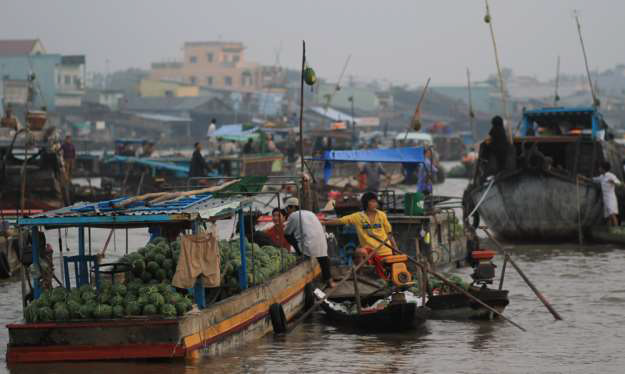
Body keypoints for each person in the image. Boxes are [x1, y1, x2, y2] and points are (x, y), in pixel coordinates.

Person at [324, 192, 397, 262]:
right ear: (366, 203)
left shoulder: (382, 215)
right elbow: (340, 221)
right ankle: (362, 272)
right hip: (369, 251)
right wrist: (323, 222)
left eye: (375, 202)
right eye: (372, 202)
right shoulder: (358, 216)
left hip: (386, 251)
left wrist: (395, 248)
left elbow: (389, 234)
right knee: (360, 251)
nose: (375, 204)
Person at [283, 197, 335, 288]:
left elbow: (287, 232)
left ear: (292, 207)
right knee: (323, 259)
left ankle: (300, 254)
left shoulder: (293, 215)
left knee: (288, 235)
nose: (287, 211)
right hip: (321, 245)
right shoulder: (310, 213)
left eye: (287, 209)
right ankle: (329, 280)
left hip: (308, 247)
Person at [591, 161, 621, 226]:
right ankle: (610, 231)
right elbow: (594, 179)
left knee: (612, 214)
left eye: (600, 167)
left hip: (611, 198)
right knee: (608, 216)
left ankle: (616, 230)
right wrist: (583, 178)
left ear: (603, 169)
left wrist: (613, 181)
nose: (599, 169)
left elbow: (619, 183)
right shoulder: (601, 177)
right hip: (605, 199)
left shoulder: (611, 175)